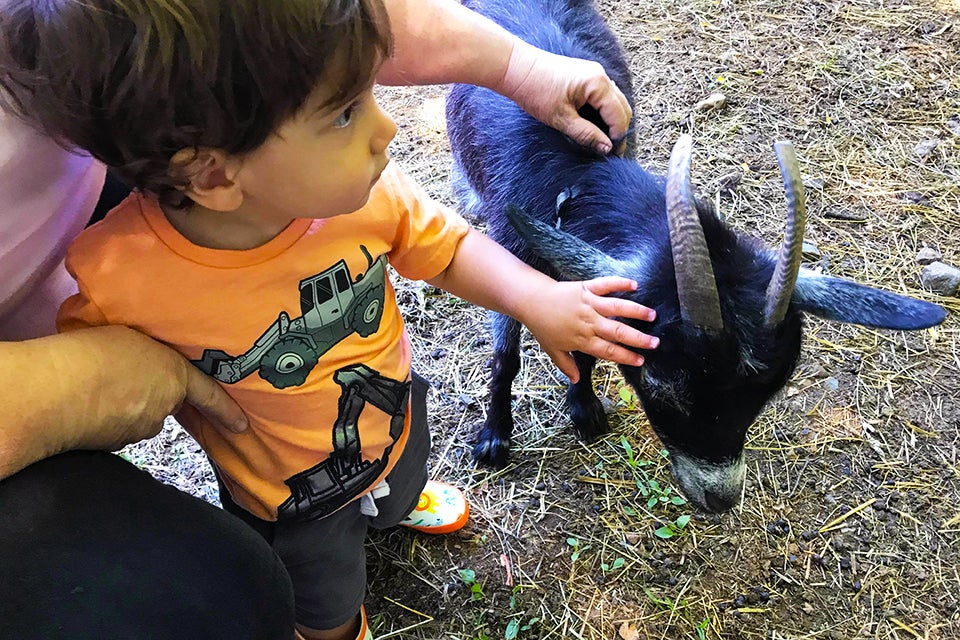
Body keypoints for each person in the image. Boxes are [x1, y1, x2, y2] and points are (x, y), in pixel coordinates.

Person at [0, 1, 641, 638]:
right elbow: (97, 391)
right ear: (215, 173)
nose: (386, 129)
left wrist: (538, 299)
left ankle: (391, 500)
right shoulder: (116, 276)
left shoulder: (363, 198)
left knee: (404, 467)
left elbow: (448, 249)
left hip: (389, 414)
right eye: (343, 113)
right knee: (323, 594)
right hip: (289, 503)